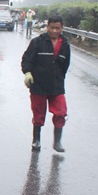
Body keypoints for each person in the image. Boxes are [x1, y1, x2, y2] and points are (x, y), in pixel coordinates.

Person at [21, 16, 71, 152]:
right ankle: (36, 140)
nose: (54, 31)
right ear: (47, 27)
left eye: (58, 28)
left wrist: (59, 78)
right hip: (38, 85)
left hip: (57, 86)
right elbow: (27, 59)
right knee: (38, 114)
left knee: (61, 112)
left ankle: (57, 142)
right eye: (52, 27)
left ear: (62, 28)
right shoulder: (37, 42)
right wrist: (27, 73)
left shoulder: (65, 45)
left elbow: (65, 66)